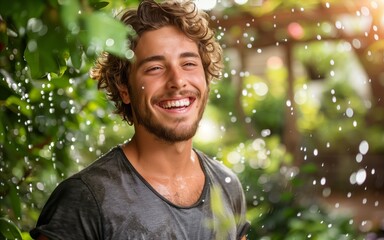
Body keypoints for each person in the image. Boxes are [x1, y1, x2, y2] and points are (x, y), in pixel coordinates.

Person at [30, 0, 250, 239]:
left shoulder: (228, 187)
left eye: (188, 64)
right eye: (155, 68)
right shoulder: (85, 200)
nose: (177, 81)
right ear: (124, 87)